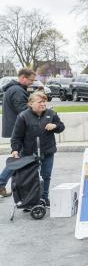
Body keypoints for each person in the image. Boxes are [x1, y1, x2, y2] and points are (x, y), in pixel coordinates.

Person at [10, 91, 65, 206]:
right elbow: (16, 136)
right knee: (30, 178)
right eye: (40, 102)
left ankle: (44, 198)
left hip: (48, 151)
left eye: (44, 101)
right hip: (29, 153)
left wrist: (55, 126)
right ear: (31, 103)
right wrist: (15, 150)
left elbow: (61, 126)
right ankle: (30, 200)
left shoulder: (51, 113)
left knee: (46, 175)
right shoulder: (23, 116)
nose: (43, 104)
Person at [0, 68, 36, 198]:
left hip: (15, 129)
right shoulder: (17, 91)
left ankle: (2, 183)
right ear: (23, 78)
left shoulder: (15, 89)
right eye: (31, 80)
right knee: (17, 160)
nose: (32, 83)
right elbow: (23, 111)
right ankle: (1, 183)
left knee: (18, 159)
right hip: (18, 130)